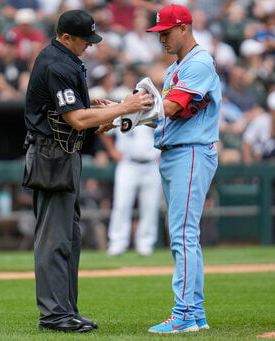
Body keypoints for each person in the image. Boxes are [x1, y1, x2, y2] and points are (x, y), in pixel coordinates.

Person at [23, 9, 153, 333]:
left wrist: (103, 110)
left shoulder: (66, 60)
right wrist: (125, 106)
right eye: (85, 40)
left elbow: (78, 113)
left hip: (64, 153)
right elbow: (77, 120)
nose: (90, 46)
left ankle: (66, 310)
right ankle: (53, 315)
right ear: (66, 37)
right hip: (50, 155)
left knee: (69, 237)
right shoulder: (56, 62)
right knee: (54, 238)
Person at [145, 4, 220, 334]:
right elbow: (168, 112)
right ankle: (197, 313)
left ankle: (185, 314)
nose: (161, 38)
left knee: (183, 235)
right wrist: (122, 114)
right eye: (158, 33)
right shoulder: (178, 66)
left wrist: (126, 112)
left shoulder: (200, 62)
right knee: (184, 235)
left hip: (190, 152)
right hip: (176, 151)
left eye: (166, 32)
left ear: (184, 29)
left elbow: (172, 106)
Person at [99, 126, 161, 256]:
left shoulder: (156, 107)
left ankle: (146, 243)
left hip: (152, 163)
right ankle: (117, 243)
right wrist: (112, 151)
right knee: (121, 205)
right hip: (128, 163)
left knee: (150, 206)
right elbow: (104, 130)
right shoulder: (123, 108)